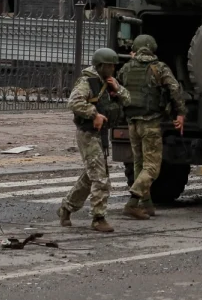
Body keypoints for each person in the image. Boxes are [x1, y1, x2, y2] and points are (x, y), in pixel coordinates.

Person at [58, 48, 131, 233]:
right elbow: (73, 102)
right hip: (88, 134)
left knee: (90, 177)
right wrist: (94, 114)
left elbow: (129, 100)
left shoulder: (108, 82)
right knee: (100, 178)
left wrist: (118, 88)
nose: (113, 68)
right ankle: (98, 218)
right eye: (110, 65)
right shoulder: (87, 81)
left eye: (114, 65)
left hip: (101, 135)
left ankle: (66, 208)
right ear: (101, 66)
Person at [117, 34, 186, 219]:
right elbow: (174, 89)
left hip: (132, 123)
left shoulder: (127, 67)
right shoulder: (159, 68)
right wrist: (180, 113)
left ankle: (146, 205)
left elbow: (117, 86)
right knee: (152, 167)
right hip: (151, 123)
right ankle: (133, 201)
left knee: (139, 163)